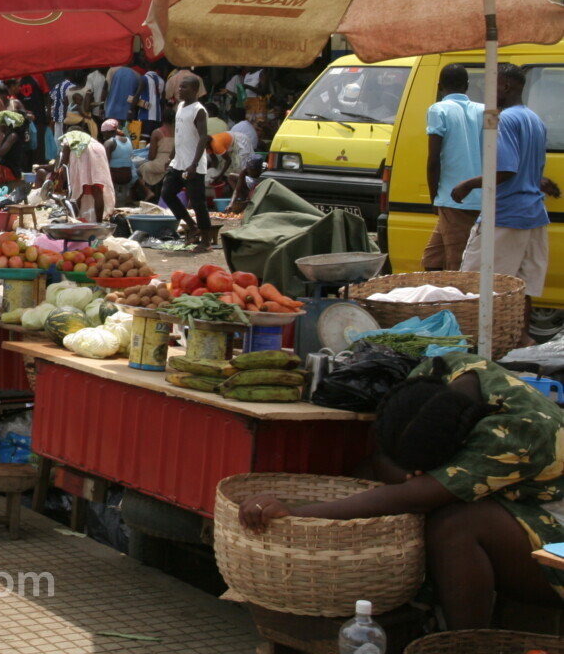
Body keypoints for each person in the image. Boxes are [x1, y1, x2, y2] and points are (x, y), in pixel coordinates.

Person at [239, 354, 564, 631]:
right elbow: (390, 462)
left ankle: (465, 642)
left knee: (456, 524)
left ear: (463, 444)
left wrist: (296, 513)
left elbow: (415, 496)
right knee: (369, 472)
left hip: (556, 530)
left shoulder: (517, 432)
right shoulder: (443, 371)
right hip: (522, 499)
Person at [453, 63, 560, 307]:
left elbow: (505, 170)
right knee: (522, 288)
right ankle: (523, 338)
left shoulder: (504, 120)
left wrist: (467, 184)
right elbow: (526, 167)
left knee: (475, 286)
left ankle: (482, 342)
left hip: (505, 217)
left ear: (505, 86)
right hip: (533, 216)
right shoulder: (534, 119)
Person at [423, 63, 484, 271]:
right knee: (432, 261)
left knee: (456, 266)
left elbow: (433, 160)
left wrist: (434, 197)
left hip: (454, 199)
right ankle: (436, 302)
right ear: (467, 86)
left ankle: (454, 304)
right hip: (477, 196)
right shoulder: (483, 110)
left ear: (440, 86)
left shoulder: (438, 109)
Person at [162, 74, 215, 246]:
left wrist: (194, 164)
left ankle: (206, 240)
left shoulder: (198, 110)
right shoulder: (180, 106)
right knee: (167, 193)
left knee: (198, 203)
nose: (179, 89)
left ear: (194, 90)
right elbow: (180, 134)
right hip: (178, 162)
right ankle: (192, 227)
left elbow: (203, 138)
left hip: (193, 165)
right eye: (180, 87)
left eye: (184, 87)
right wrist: (172, 155)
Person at [60, 130, 114, 222]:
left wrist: (62, 172)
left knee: (78, 191)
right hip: (98, 151)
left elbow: (63, 163)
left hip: (83, 152)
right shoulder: (91, 139)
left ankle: (74, 221)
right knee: (98, 189)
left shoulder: (69, 136)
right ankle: (99, 223)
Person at [0, 112, 30, 192]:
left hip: (11, 171)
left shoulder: (13, 136)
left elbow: (1, 152)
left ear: (5, 124)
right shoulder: (6, 136)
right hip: (5, 167)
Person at [100, 119, 138, 208]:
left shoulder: (109, 143)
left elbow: (105, 164)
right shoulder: (128, 140)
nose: (103, 136)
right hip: (128, 176)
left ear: (107, 132)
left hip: (116, 177)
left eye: (103, 133)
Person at [101, 65, 141, 140]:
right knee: (125, 138)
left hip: (111, 111)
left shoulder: (112, 70)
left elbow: (105, 88)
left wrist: (101, 106)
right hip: (128, 114)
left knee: (111, 138)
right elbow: (137, 96)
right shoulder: (137, 75)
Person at [137, 122, 176, 195]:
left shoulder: (157, 132)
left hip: (160, 165)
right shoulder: (179, 132)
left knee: (139, 170)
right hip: (173, 165)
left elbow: (151, 157)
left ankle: (147, 192)